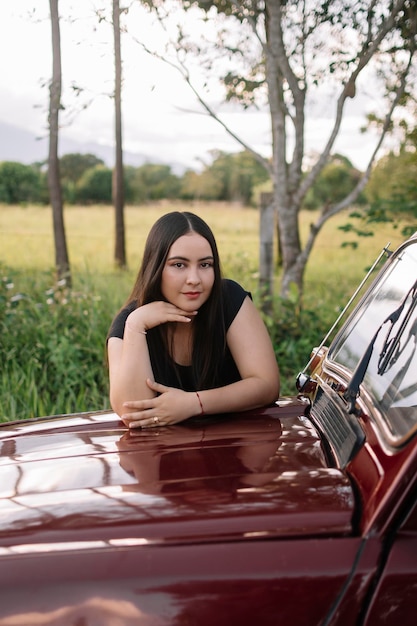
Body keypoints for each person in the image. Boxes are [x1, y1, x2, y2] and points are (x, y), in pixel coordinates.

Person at [107, 211, 280, 429]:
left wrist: (193, 404)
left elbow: (267, 385)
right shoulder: (128, 322)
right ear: (156, 267)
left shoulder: (229, 300)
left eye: (205, 265)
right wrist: (135, 327)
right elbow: (133, 413)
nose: (194, 279)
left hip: (234, 446)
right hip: (164, 455)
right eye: (179, 265)